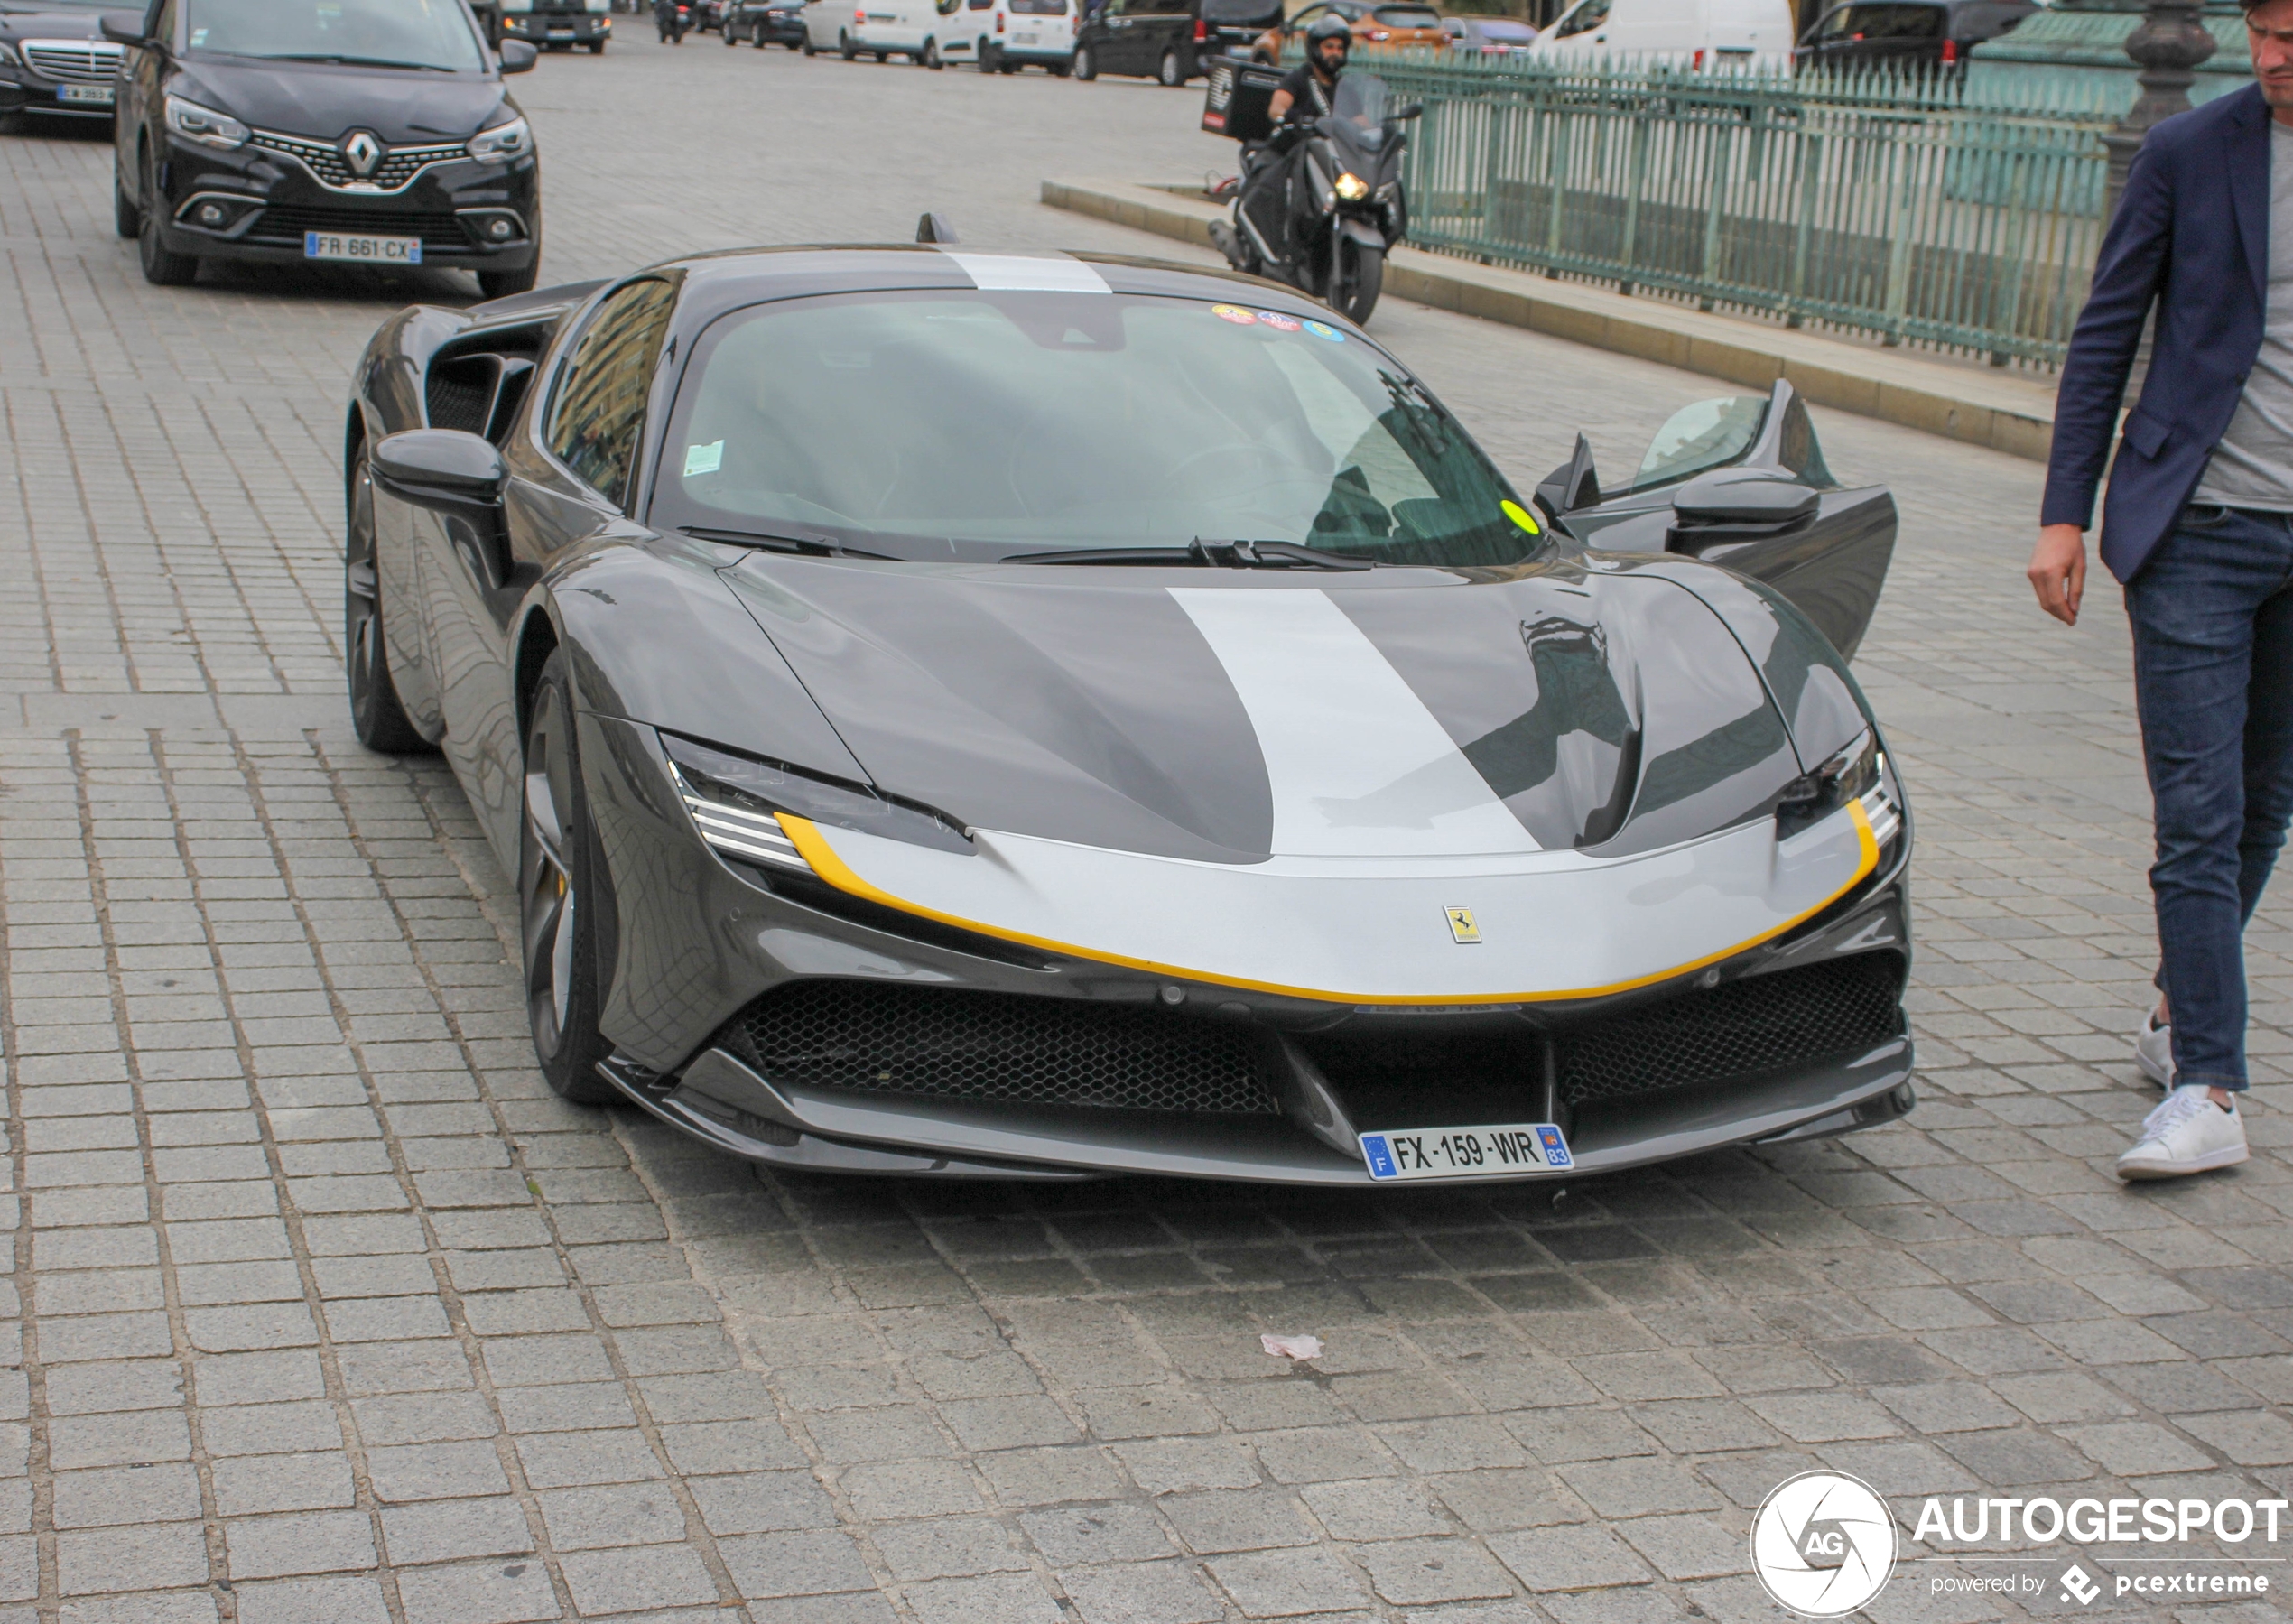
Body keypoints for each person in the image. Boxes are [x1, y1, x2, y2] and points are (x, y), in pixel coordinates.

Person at [2028, 0, 2293, 1180]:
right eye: (2268, 32)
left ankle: (2179, 1011)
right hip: (2199, 527)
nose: (2280, 56)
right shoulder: (2194, 150)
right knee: (2197, 811)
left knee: (2264, 796)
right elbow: (2106, 333)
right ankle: (2209, 1089)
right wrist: (2061, 512)